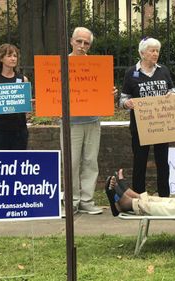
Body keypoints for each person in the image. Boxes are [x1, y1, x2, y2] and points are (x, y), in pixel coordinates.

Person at [64, 27, 117, 215]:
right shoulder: (61, 64)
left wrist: (110, 92)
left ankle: (87, 200)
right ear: (71, 41)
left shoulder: (96, 65)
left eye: (86, 43)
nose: (82, 46)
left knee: (90, 161)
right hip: (71, 122)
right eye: (79, 41)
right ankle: (71, 201)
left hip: (93, 120)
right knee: (71, 162)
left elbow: (103, 90)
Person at [119, 37, 175, 197]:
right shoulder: (131, 73)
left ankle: (164, 197)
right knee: (140, 162)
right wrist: (127, 103)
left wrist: (171, 95)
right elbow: (122, 99)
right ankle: (139, 197)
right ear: (142, 53)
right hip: (140, 127)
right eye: (152, 50)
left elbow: (172, 91)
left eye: (157, 50)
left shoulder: (163, 70)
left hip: (161, 125)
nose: (155, 54)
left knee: (162, 162)